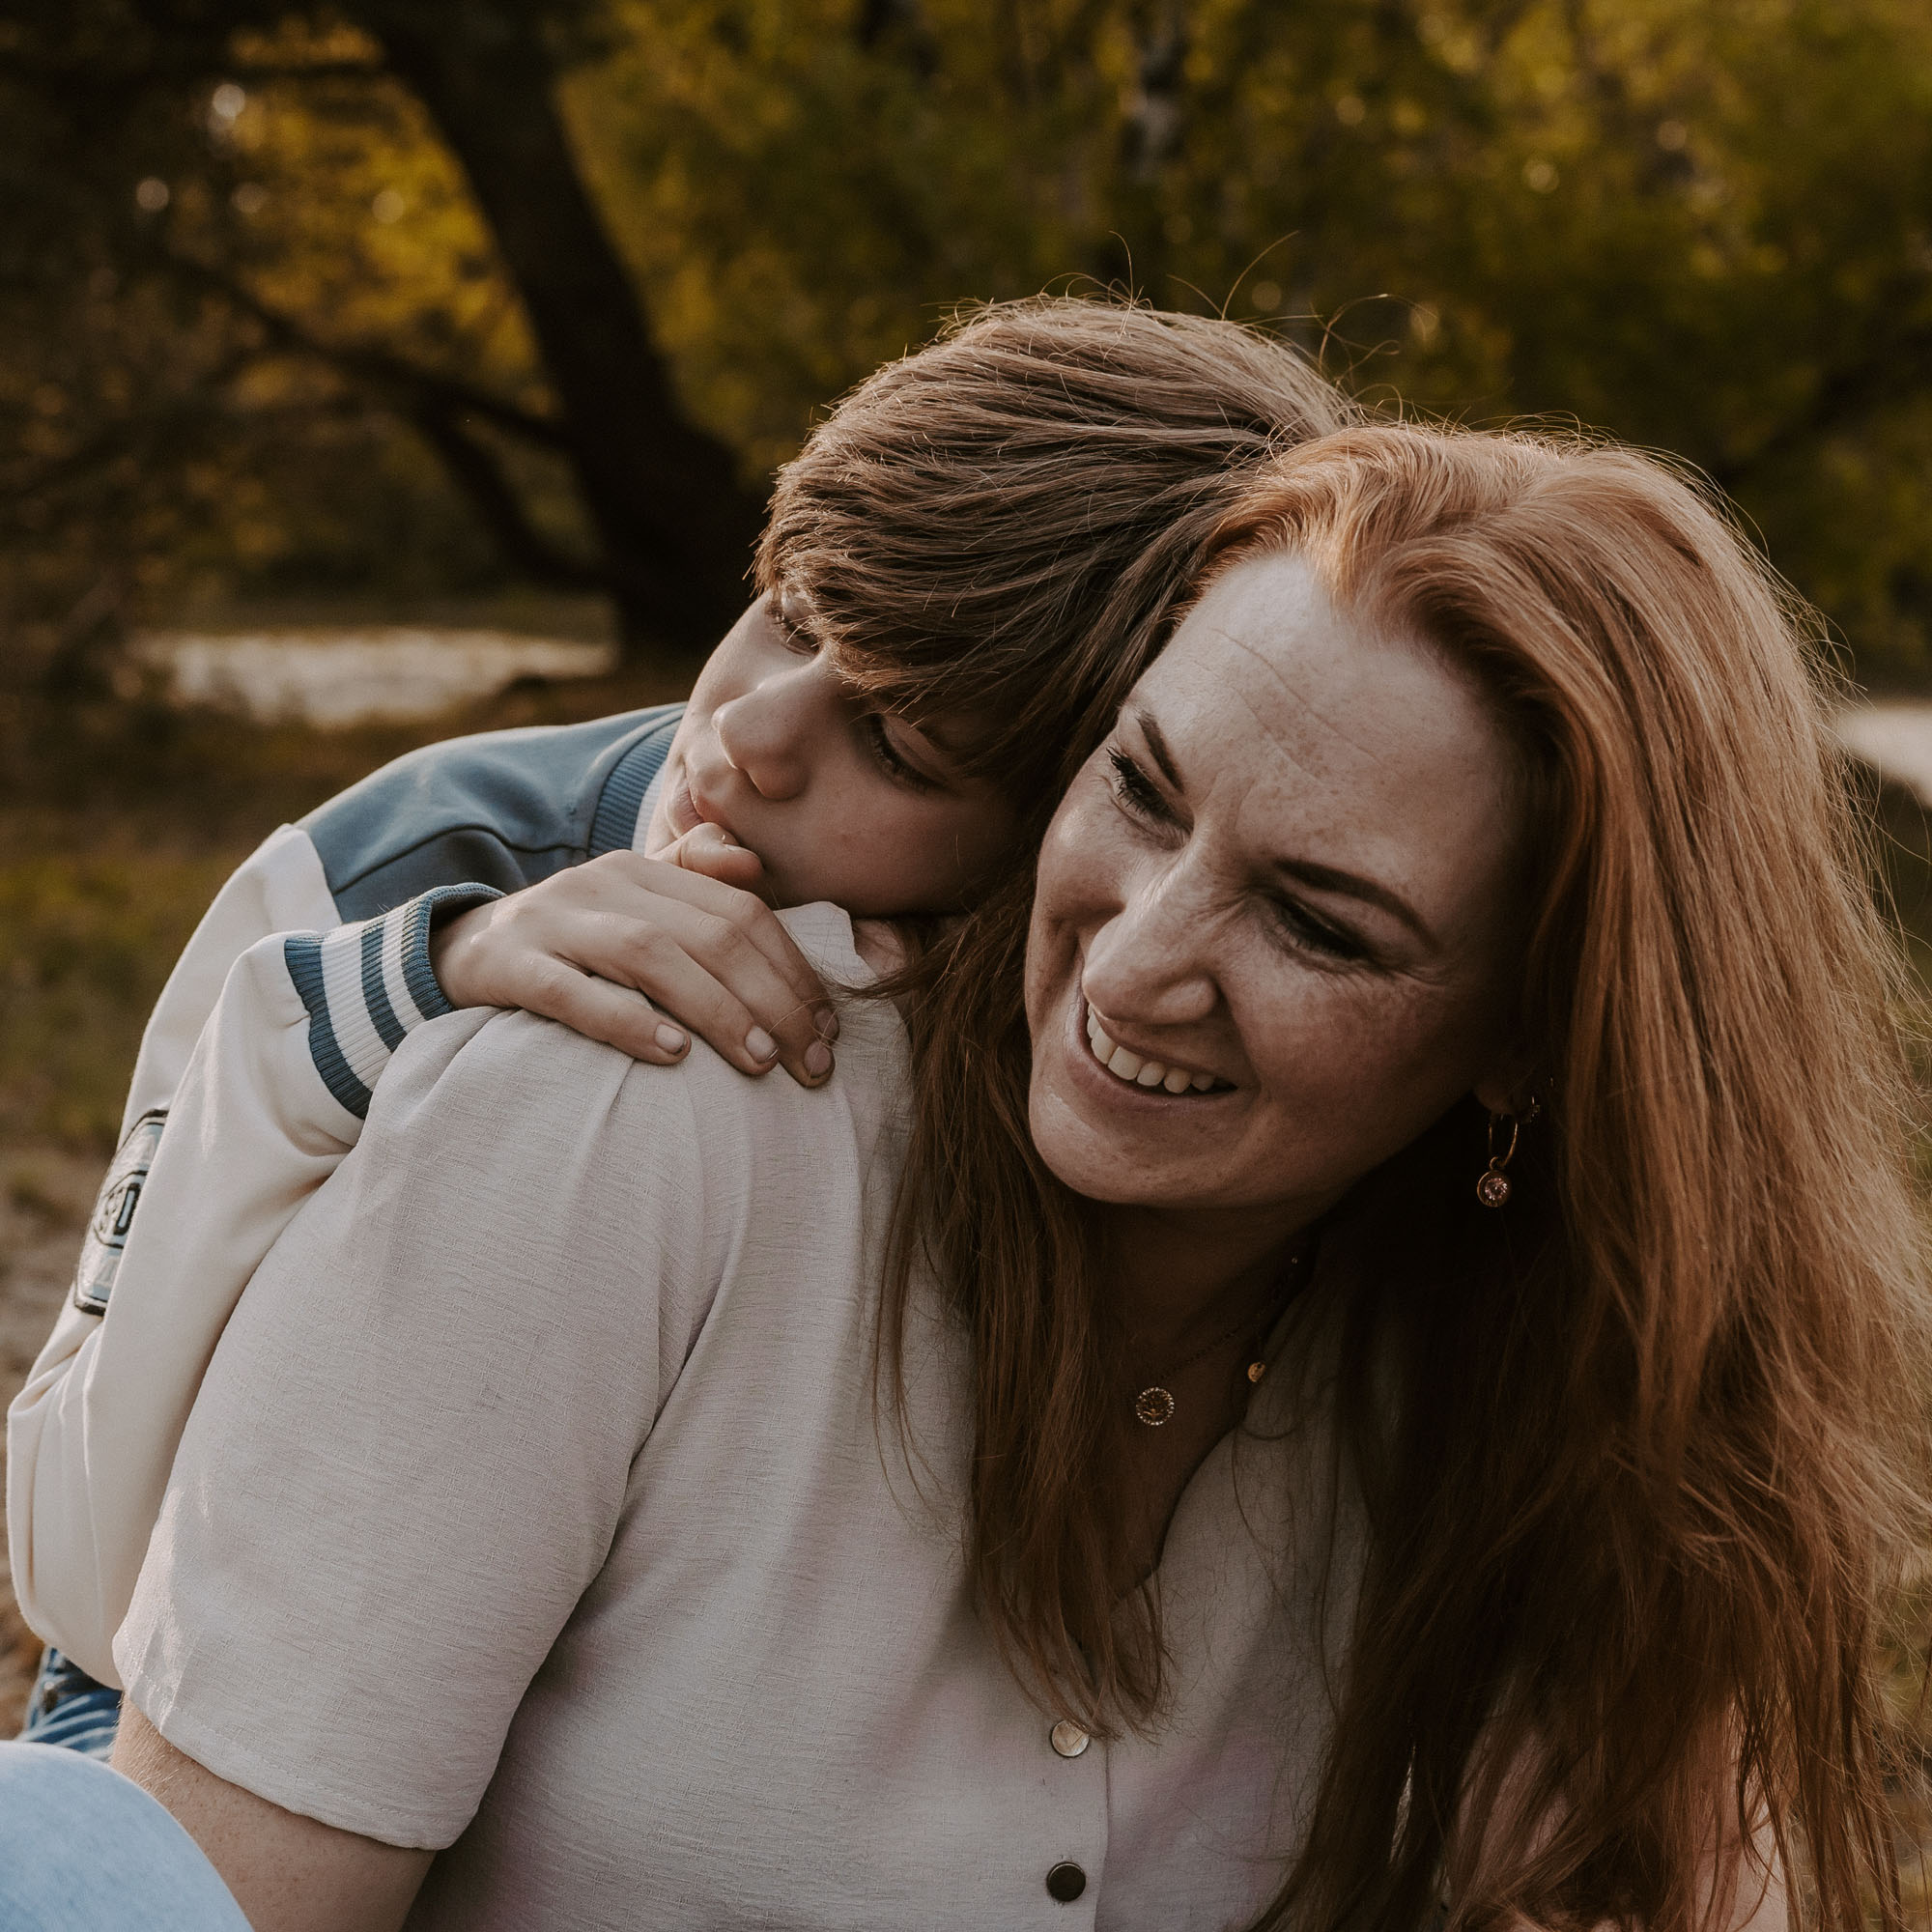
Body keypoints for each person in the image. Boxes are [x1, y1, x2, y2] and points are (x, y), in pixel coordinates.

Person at [48, 422, 1921, 1930]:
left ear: (1535, 1037)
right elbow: (203, 1859)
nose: (1124, 964)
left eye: (1318, 923)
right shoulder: (631, 1113)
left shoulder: (1551, 1377)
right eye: (1141, 790)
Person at [8, 295, 1354, 1752]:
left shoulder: (1134, 1034)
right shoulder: (381, 871)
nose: (750, 734)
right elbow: (74, 1569)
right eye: (790, 611)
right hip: (174, 1696)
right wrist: (365, 1009)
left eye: (899, 744)